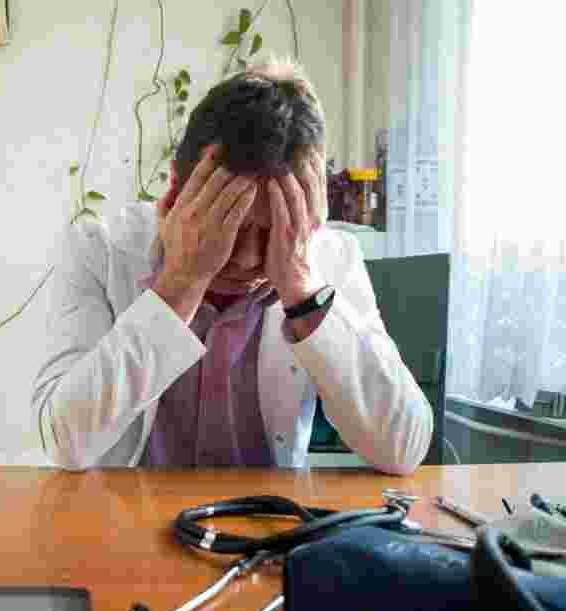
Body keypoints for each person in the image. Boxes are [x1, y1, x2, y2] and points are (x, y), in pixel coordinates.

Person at [32, 57, 433, 474]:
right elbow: (64, 442)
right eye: (230, 225)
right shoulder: (99, 249)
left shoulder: (331, 258)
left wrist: (302, 290)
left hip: (268, 525)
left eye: (272, 231)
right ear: (176, 189)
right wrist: (181, 283)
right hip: (124, 523)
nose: (244, 259)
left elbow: (404, 448)